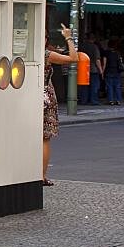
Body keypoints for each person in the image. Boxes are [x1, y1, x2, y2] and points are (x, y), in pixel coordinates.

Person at [43, 24, 78, 186]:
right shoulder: (46, 55)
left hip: (25, 94)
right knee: (44, 138)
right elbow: (73, 58)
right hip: (45, 97)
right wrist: (69, 37)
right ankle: (41, 175)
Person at [77, 33, 101, 104]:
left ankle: (84, 100)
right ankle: (94, 100)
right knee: (94, 86)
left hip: (82, 69)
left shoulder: (81, 46)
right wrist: (100, 70)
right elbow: (97, 60)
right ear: (94, 39)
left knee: (84, 86)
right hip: (93, 69)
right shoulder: (94, 47)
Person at [102, 40, 124, 105]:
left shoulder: (106, 53)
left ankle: (110, 100)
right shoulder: (118, 53)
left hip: (109, 71)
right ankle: (118, 100)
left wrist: (102, 72)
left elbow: (104, 63)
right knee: (117, 86)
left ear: (108, 45)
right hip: (117, 71)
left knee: (109, 86)